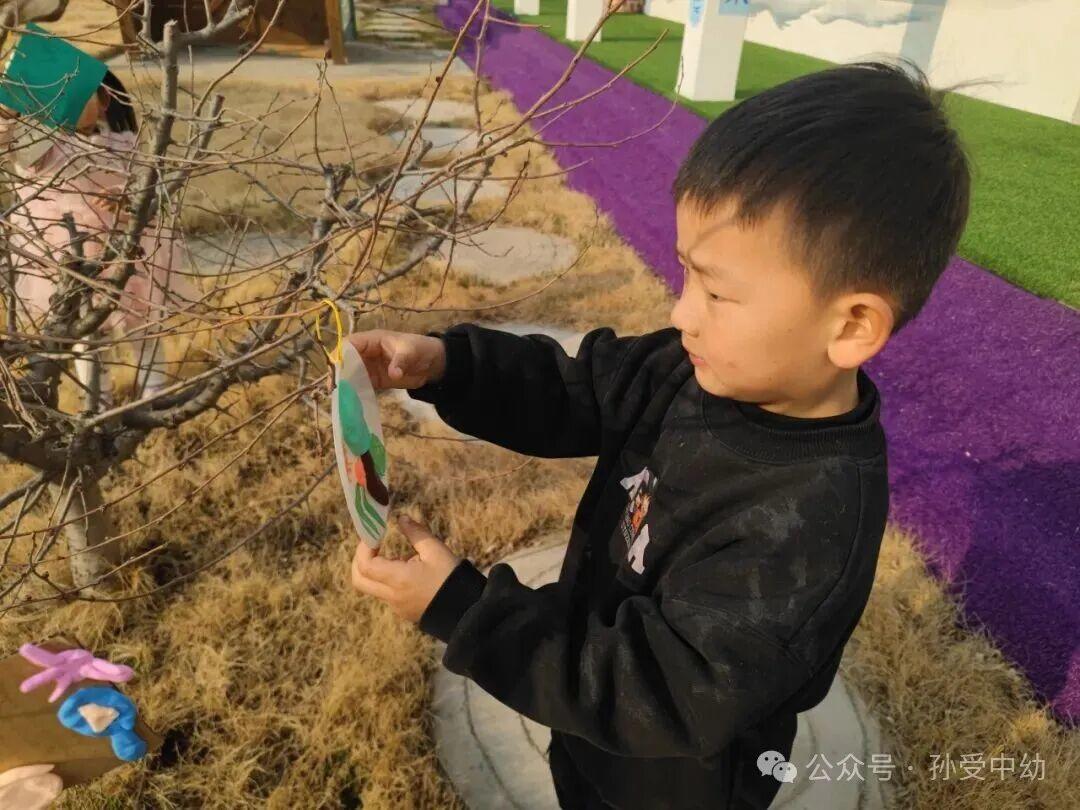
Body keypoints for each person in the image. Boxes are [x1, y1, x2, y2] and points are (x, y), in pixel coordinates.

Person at [345, 59, 970, 809]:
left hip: (674, 785)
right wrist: (450, 366)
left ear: (852, 326)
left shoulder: (810, 525)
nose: (681, 313)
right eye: (685, 276)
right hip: (586, 720)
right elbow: (576, 387)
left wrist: (470, 614)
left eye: (717, 291)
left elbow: (659, 692)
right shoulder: (689, 366)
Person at [0, 25, 196, 408]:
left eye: (86, 98)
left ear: (105, 100)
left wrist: (128, 200)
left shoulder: (120, 139)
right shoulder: (41, 142)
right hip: (66, 253)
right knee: (88, 333)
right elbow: (7, 145)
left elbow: (145, 183)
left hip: (126, 245)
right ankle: (98, 399)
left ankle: (153, 391)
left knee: (141, 321)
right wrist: (9, 108)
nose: (77, 108)